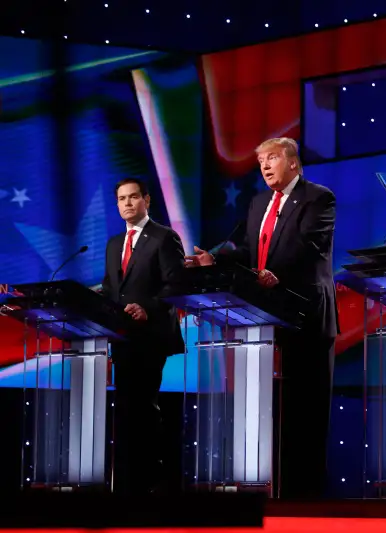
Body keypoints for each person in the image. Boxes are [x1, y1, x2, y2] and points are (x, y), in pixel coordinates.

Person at [188, 137, 338, 500]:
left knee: (308, 408)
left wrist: (273, 273)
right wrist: (216, 259)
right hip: (265, 317)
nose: (265, 166)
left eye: (271, 159)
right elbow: (246, 248)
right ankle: (274, 490)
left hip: (307, 314)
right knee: (276, 408)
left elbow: (308, 244)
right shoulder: (258, 203)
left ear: (292, 162)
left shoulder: (319, 197)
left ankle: (308, 496)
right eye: (260, 162)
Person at [101, 177, 186, 494]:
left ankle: (151, 480)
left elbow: (176, 285)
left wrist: (147, 307)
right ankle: (126, 482)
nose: (127, 203)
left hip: (151, 336)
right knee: (125, 408)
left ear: (146, 200)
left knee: (143, 406)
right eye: (122, 198)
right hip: (121, 338)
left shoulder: (164, 238)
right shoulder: (113, 244)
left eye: (133, 197)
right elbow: (110, 289)